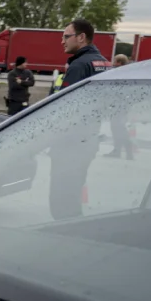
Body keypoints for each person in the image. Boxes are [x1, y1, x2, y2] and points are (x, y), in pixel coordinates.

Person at [48, 19, 111, 219]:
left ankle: (62, 235)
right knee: (74, 190)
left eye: (66, 36)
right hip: (89, 139)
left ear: (81, 37)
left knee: (61, 196)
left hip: (70, 142)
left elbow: (65, 107)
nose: (62, 41)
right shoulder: (102, 61)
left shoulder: (79, 65)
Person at [105, 54, 136, 159]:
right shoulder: (127, 73)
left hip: (119, 107)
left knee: (119, 128)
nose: (113, 63)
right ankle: (121, 151)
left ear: (120, 63)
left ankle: (125, 151)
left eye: (115, 61)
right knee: (118, 128)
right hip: (120, 106)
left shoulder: (122, 74)